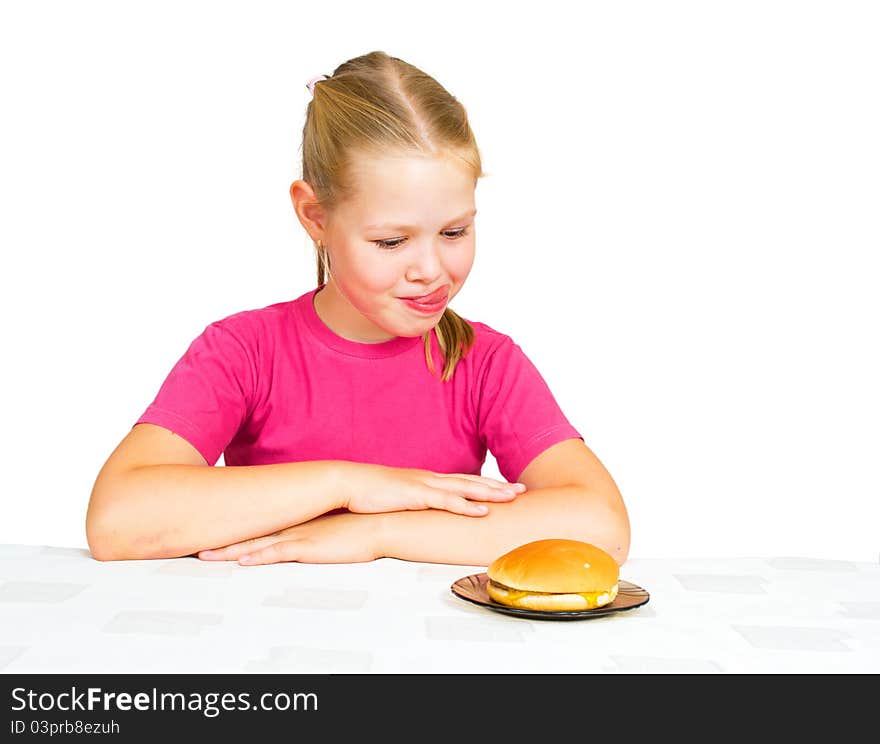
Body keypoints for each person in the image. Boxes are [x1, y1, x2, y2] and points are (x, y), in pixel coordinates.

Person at [85, 51, 630, 568]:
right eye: (392, 242)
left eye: (454, 231)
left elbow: (601, 523)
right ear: (316, 215)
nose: (431, 270)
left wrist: (377, 532)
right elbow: (118, 520)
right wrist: (350, 484)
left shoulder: (484, 363)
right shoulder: (243, 350)